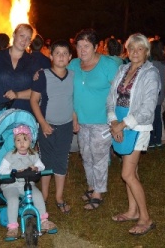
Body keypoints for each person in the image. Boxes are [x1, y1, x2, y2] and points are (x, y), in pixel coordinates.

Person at [107, 33, 160, 236]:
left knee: (127, 174)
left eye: (140, 49)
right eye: (132, 49)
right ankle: (132, 211)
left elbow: (147, 109)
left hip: (137, 127)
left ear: (146, 51)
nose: (135, 53)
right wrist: (113, 122)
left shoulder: (150, 74)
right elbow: (111, 98)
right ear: (127, 51)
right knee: (132, 171)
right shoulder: (122, 69)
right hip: (119, 123)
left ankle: (145, 218)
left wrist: (123, 125)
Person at [68, 28, 119, 210]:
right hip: (81, 120)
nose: (82, 50)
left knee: (99, 156)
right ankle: (91, 186)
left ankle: (98, 191)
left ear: (96, 47)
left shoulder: (108, 65)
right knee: (86, 155)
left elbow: (117, 92)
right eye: (79, 46)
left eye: (87, 46)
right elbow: (65, 86)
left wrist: (116, 119)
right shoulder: (73, 65)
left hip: (102, 121)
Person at [30, 40, 74, 213]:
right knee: (46, 160)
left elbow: (73, 100)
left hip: (66, 126)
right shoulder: (42, 75)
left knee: (61, 160)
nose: (61, 56)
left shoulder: (73, 75)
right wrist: (43, 123)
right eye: (57, 53)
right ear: (50, 56)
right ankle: (45, 195)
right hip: (47, 125)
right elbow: (34, 100)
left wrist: (75, 119)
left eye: (65, 53)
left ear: (70, 57)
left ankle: (59, 197)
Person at [0, 125, 56, 239]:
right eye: (18, 140)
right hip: (11, 185)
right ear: (14, 142)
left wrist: (36, 168)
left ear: (30, 140)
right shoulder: (10, 155)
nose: (22, 143)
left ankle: (44, 220)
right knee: (13, 199)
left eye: (25, 139)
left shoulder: (33, 155)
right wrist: (13, 171)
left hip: (27, 184)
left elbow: (41, 166)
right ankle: (13, 227)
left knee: (38, 195)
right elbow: (2, 170)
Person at [0, 23, 39, 115]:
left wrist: (17, 95)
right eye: (22, 36)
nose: (24, 40)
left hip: (22, 115)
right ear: (14, 35)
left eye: (28, 38)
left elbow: (38, 91)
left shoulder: (33, 62)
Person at [148, 40, 165, 148]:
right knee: (158, 117)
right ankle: (158, 139)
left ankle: (151, 140)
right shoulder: (163, 64)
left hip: (152, 94)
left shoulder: (151, 64)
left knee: (151, 117)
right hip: (160, 94)